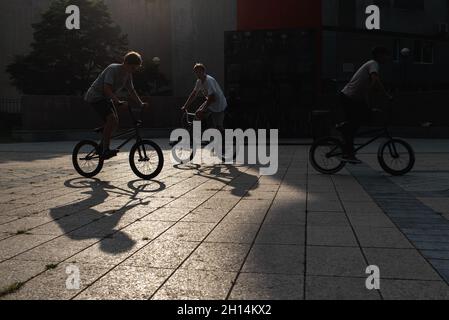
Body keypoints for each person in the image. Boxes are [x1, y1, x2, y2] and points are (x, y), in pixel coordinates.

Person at [85, 51, 147, 160]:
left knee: (115, 122)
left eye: (135, 68)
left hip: (106, 98)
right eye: (133, 67)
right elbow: (106, 88)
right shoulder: (113, 69)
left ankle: (102, 142)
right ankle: (105, 150)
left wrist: (140, 103)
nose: (134, 70)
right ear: (126, 63)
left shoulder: (128, 74)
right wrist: (117, 101)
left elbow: (131, 90)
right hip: (95, 96)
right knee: (112, 119)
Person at [339, 46, 393, 164]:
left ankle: (346, 131)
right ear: (379, 55)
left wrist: (369, 105)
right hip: (348, 97)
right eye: (386, 55)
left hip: (355, 98)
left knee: (367, 115)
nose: (387, 58)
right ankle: (348, 152)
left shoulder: (371, 64)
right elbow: (375, 80)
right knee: (354, 124)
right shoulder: (373, 64)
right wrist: (386, 95)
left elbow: (366, 91)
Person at [181, 63, 228, 133]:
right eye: (196, 72)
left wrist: (203, 110)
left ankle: (225, 138)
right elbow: (194, 94)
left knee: (219, 126)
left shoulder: (209, 81)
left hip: (219, 104)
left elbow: (212, 98)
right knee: (197, 115)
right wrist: (185, 106)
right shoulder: (199, 81)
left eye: (199, 72)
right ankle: (194, 135)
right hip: (211, 102)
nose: (197, 74)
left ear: (203, 71)